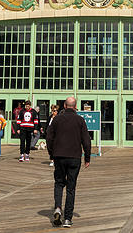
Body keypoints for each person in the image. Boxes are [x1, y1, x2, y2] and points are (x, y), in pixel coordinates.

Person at [47, 96, 91, 229]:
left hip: (59, 156)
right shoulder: (80, 120)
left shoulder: (57, 119)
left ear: (65, 106)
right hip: (74, 157)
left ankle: (58, 208)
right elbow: (86, 140)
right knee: (71, 188)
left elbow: (49, 137)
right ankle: (67, 218)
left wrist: (51, 154)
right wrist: (87, 157)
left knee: (59, 183)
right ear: (75, 106)